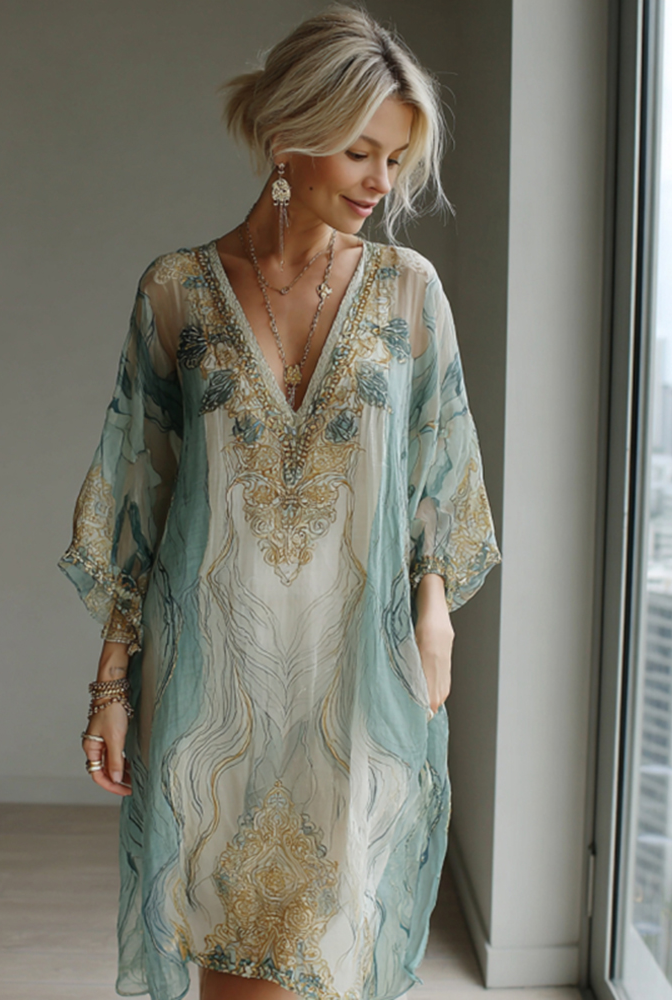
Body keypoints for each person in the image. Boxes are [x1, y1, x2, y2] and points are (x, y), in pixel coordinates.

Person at [57, 5, 502, 1000]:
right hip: (211, 682)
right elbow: (138, 500)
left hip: (355, 676)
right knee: (233, 963)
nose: (381, 184)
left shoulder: (410, 292)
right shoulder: (176, 291)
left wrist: (434, 611)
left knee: (328, 946)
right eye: (361, 152)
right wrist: (110, 685)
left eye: (396, 160)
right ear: (288, 136)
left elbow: (441, 468)